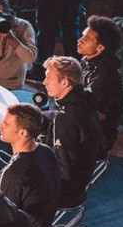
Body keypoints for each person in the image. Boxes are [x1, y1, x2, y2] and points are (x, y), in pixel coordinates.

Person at [0, 103, 61, 227]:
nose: (0, 125)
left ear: (23, 133)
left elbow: (2, 222)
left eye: (6, 123)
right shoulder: (46, 151)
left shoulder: (14, 174)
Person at [42, 55, 101, 209]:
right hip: (81, 181)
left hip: (65, 192)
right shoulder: (84, 100)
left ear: (65, 82)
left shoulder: (67, 117)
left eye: (49, 78)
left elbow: (63, 170)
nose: (44, 82)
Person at [78, 15, 123, 157]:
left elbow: (87, 110)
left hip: (96, 137)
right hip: (84, 125)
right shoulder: (89, 61)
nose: (79, 41)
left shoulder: (103, 74)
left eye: (86, 40)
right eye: (82, 37)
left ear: (100, 47)